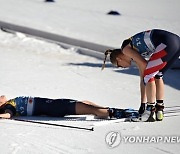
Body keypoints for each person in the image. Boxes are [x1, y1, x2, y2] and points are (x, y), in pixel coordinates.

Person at [102, 29, 180, 122]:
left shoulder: (126, 49)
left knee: (149, 75)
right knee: (158, 75)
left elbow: (145, 72)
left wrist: (145, 104)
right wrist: (142, 103)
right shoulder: (132, 51)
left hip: (167, 43)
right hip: (175, 41)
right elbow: (142, 78)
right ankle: (159, 110)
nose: (121, 67)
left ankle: (150, 112)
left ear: (119, 58)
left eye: (118, 65)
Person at [0, 95, 135, 119]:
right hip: (55, 108)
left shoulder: (10, 101)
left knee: (86, 103)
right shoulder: (10, 105)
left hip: (54, 105)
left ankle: (112, 110)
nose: (1, 95)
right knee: (88, 108)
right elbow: (8, 115)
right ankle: (115, 113)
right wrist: (3, 115)